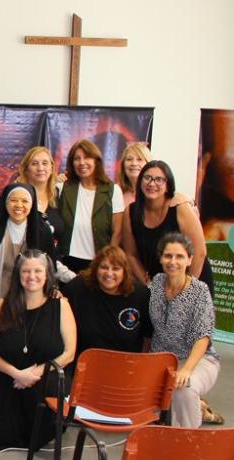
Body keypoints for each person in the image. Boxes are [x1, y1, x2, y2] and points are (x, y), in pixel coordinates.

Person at [0, 249, 76, 450]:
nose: (31, 276)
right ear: (18, 275)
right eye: (25, 271)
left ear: (47, 275)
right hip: (8, 380)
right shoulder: (2, 305)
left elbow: (69, 353)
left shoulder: (61, 305)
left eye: (38, 271)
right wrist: (16, 374)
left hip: (43, 379)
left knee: (41, 430)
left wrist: (34, 374)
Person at [148, 233, 220, 428]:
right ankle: (198, 409)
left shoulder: (200, 291)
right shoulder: (156, 283)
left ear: (189, 260)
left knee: (183, 389)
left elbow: (203, 336)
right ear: (161, 258)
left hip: (197, 359)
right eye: (168, 256)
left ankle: (186, 440)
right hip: (160, 359)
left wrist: (186, 370)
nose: (173, 261)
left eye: (179, 256)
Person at [0, 183, 74, 310]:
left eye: (25, 201)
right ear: (5, 203)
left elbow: (51, 263)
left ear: (32, 204)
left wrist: (74, 279)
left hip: (32, 293)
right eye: (13, 200)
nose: (19, 205)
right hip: (0, 294)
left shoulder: (41, 231)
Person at [122, 160, 213, 293]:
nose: (152, 183)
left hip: (193, 280)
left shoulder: (180, 208)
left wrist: (185, 289)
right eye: (147, 178)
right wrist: (148, 284)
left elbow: (199, 252)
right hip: (159, 285)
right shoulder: (130, 212)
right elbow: (131, 255)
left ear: (168, 185)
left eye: (159, 180)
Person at [61, 245, 151, 356]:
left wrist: (139, 361)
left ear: (125, 272)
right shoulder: (77, 288)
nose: (109, 273)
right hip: (85, 362)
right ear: (95, 269)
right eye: (104, 267)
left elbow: (148, 335)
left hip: (127, 363)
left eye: (116, 268)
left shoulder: (140, 294)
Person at [58, 139, 125, 272]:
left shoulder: (113, 190)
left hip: (99, 261)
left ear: (96, 161)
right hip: (66, 260)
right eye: (77, 159)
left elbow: (117, 232)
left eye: (87, 157)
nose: (82, 162)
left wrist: (108, 259)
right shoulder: (62, 188)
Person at [16, 146, 65, 251]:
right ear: (26, 170)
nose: (40, 168)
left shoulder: (59, 194)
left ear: (51, 168)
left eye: (45, 163)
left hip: (54, 259)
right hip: (23, 259)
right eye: (34, 164)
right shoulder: (17, 196)